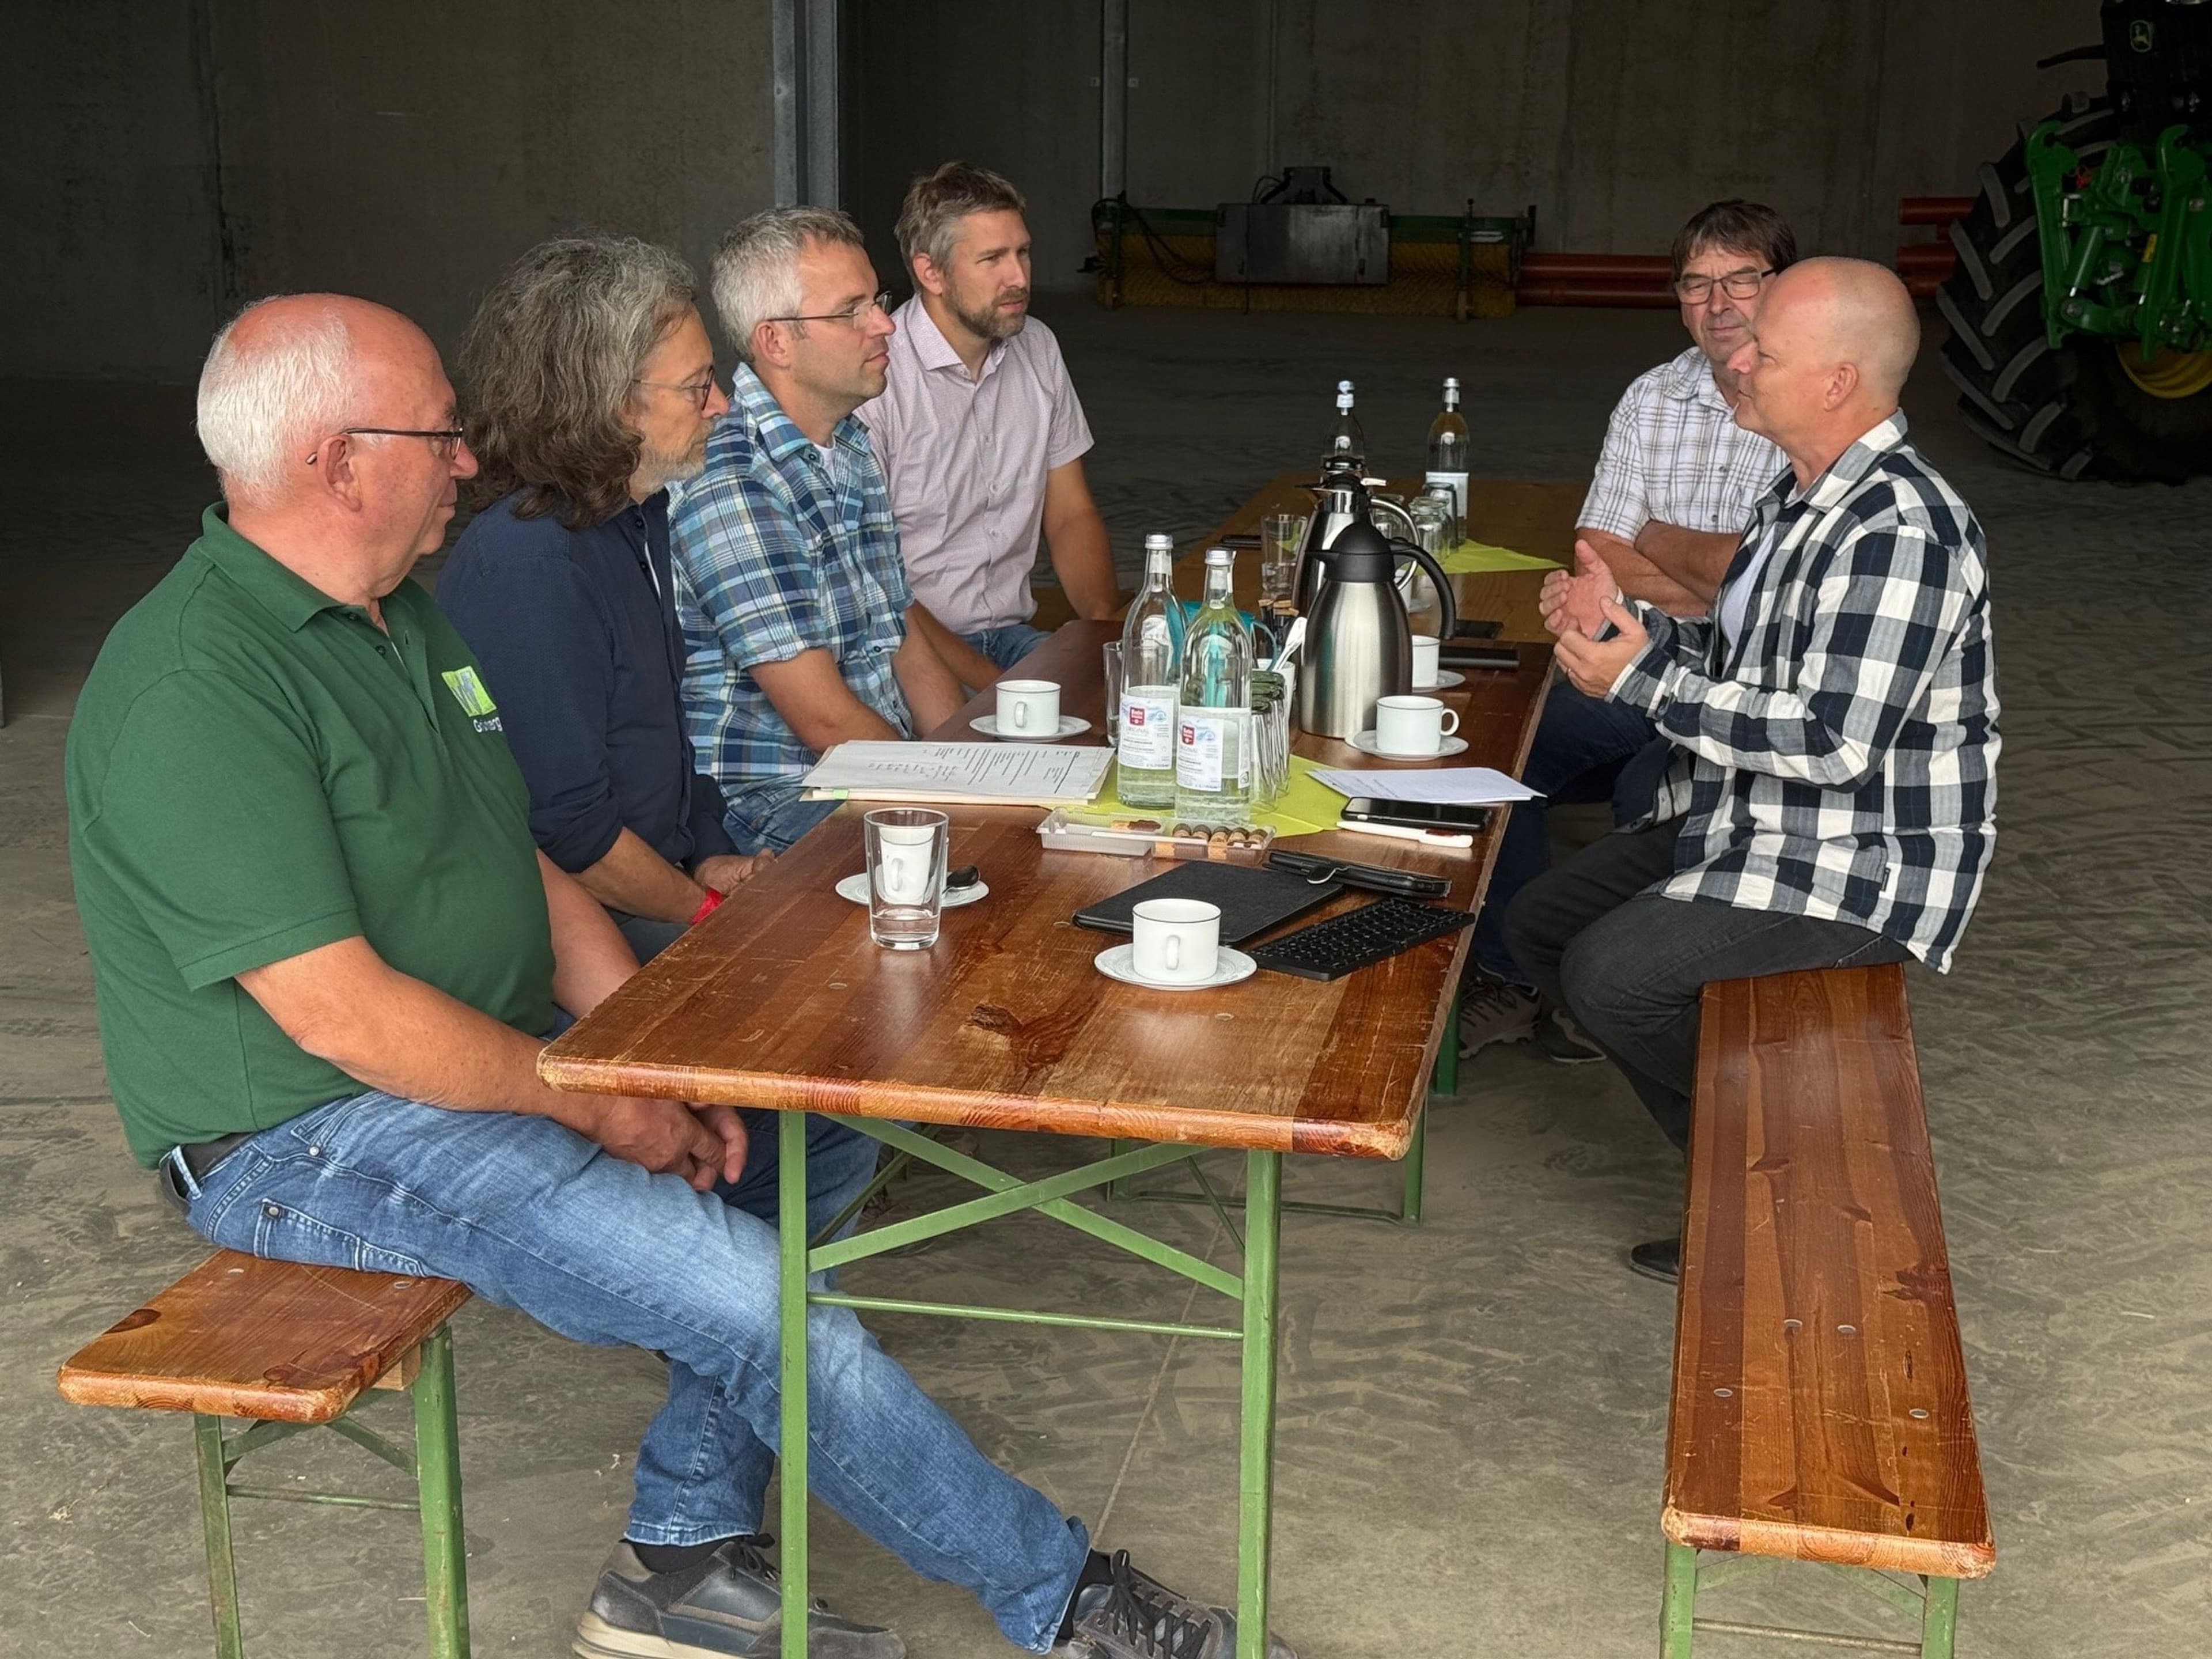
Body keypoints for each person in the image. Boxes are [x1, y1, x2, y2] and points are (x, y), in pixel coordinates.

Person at [66, 294, 1291, 1659]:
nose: (468, 463)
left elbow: (518, 853)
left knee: (812, 1131)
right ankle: (1072, 1606)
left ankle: (681, 1553)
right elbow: (339, 1016)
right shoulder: (198, 682)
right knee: (768, 1312)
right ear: (333, 460)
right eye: (440, 437)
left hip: (469, 1057)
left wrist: (640, 1052)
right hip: (308, 1129)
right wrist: (595, 1103)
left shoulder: (395, 616)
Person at [1503, 258, 1999, 1284]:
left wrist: (1635, 678)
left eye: (1765, 350)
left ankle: (1798, 1192)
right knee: (1543, 926)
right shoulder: (1800, 498)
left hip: (1861, 861)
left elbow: (1830, 741)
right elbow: (1743, 675)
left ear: (1836, 382)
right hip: (1754, 820)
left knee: (1613, 976)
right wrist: (1627, 630)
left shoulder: (1899, 529)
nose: (1736, 360)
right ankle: (1751, 1179)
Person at [1460, 200, 1797, 1062]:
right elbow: (1594, 554)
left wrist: (1654, 548)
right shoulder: (1653, 395)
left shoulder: (1805, 399)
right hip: (1625, 659)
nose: (1718, 303)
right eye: (1697, 284)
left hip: (1744, 687)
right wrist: (1709, 569)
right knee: (1507, 743)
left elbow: (1762, 584)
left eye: (1741, 279)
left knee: (1654, 791)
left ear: (1782, 289)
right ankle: (1514, 979)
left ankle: (1616, 996)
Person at [437, 236, 767, 963]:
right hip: (588, 925)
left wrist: (711, 852)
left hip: (660, 881)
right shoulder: (533, 565)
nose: (723, 402)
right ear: (615, 406)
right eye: (697, 385)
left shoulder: (632, 514)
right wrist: (706, 909)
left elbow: (662, 744)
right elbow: (571, 834)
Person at [676, 207, 969, 855]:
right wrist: (950, 799)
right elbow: (824, 720)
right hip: (778, 799)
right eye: (852, 310)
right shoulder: (733, 479)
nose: (885, 324)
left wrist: (966, 774)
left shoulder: (852, 444)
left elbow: (904, 639)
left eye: (879, 300)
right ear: (776, 341)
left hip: (872, 773)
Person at [857, 162, 1116, 688]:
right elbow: (874, 587)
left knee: (1127, 711)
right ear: (931, 272)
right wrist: (1002, 689)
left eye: (1022, 252)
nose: (1019, 277)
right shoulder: (878, 377)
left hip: (1010, 632)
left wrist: (1107, 641)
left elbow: (1070, 514)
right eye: (993, 259)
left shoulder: (1037, 347)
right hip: (909, 649)